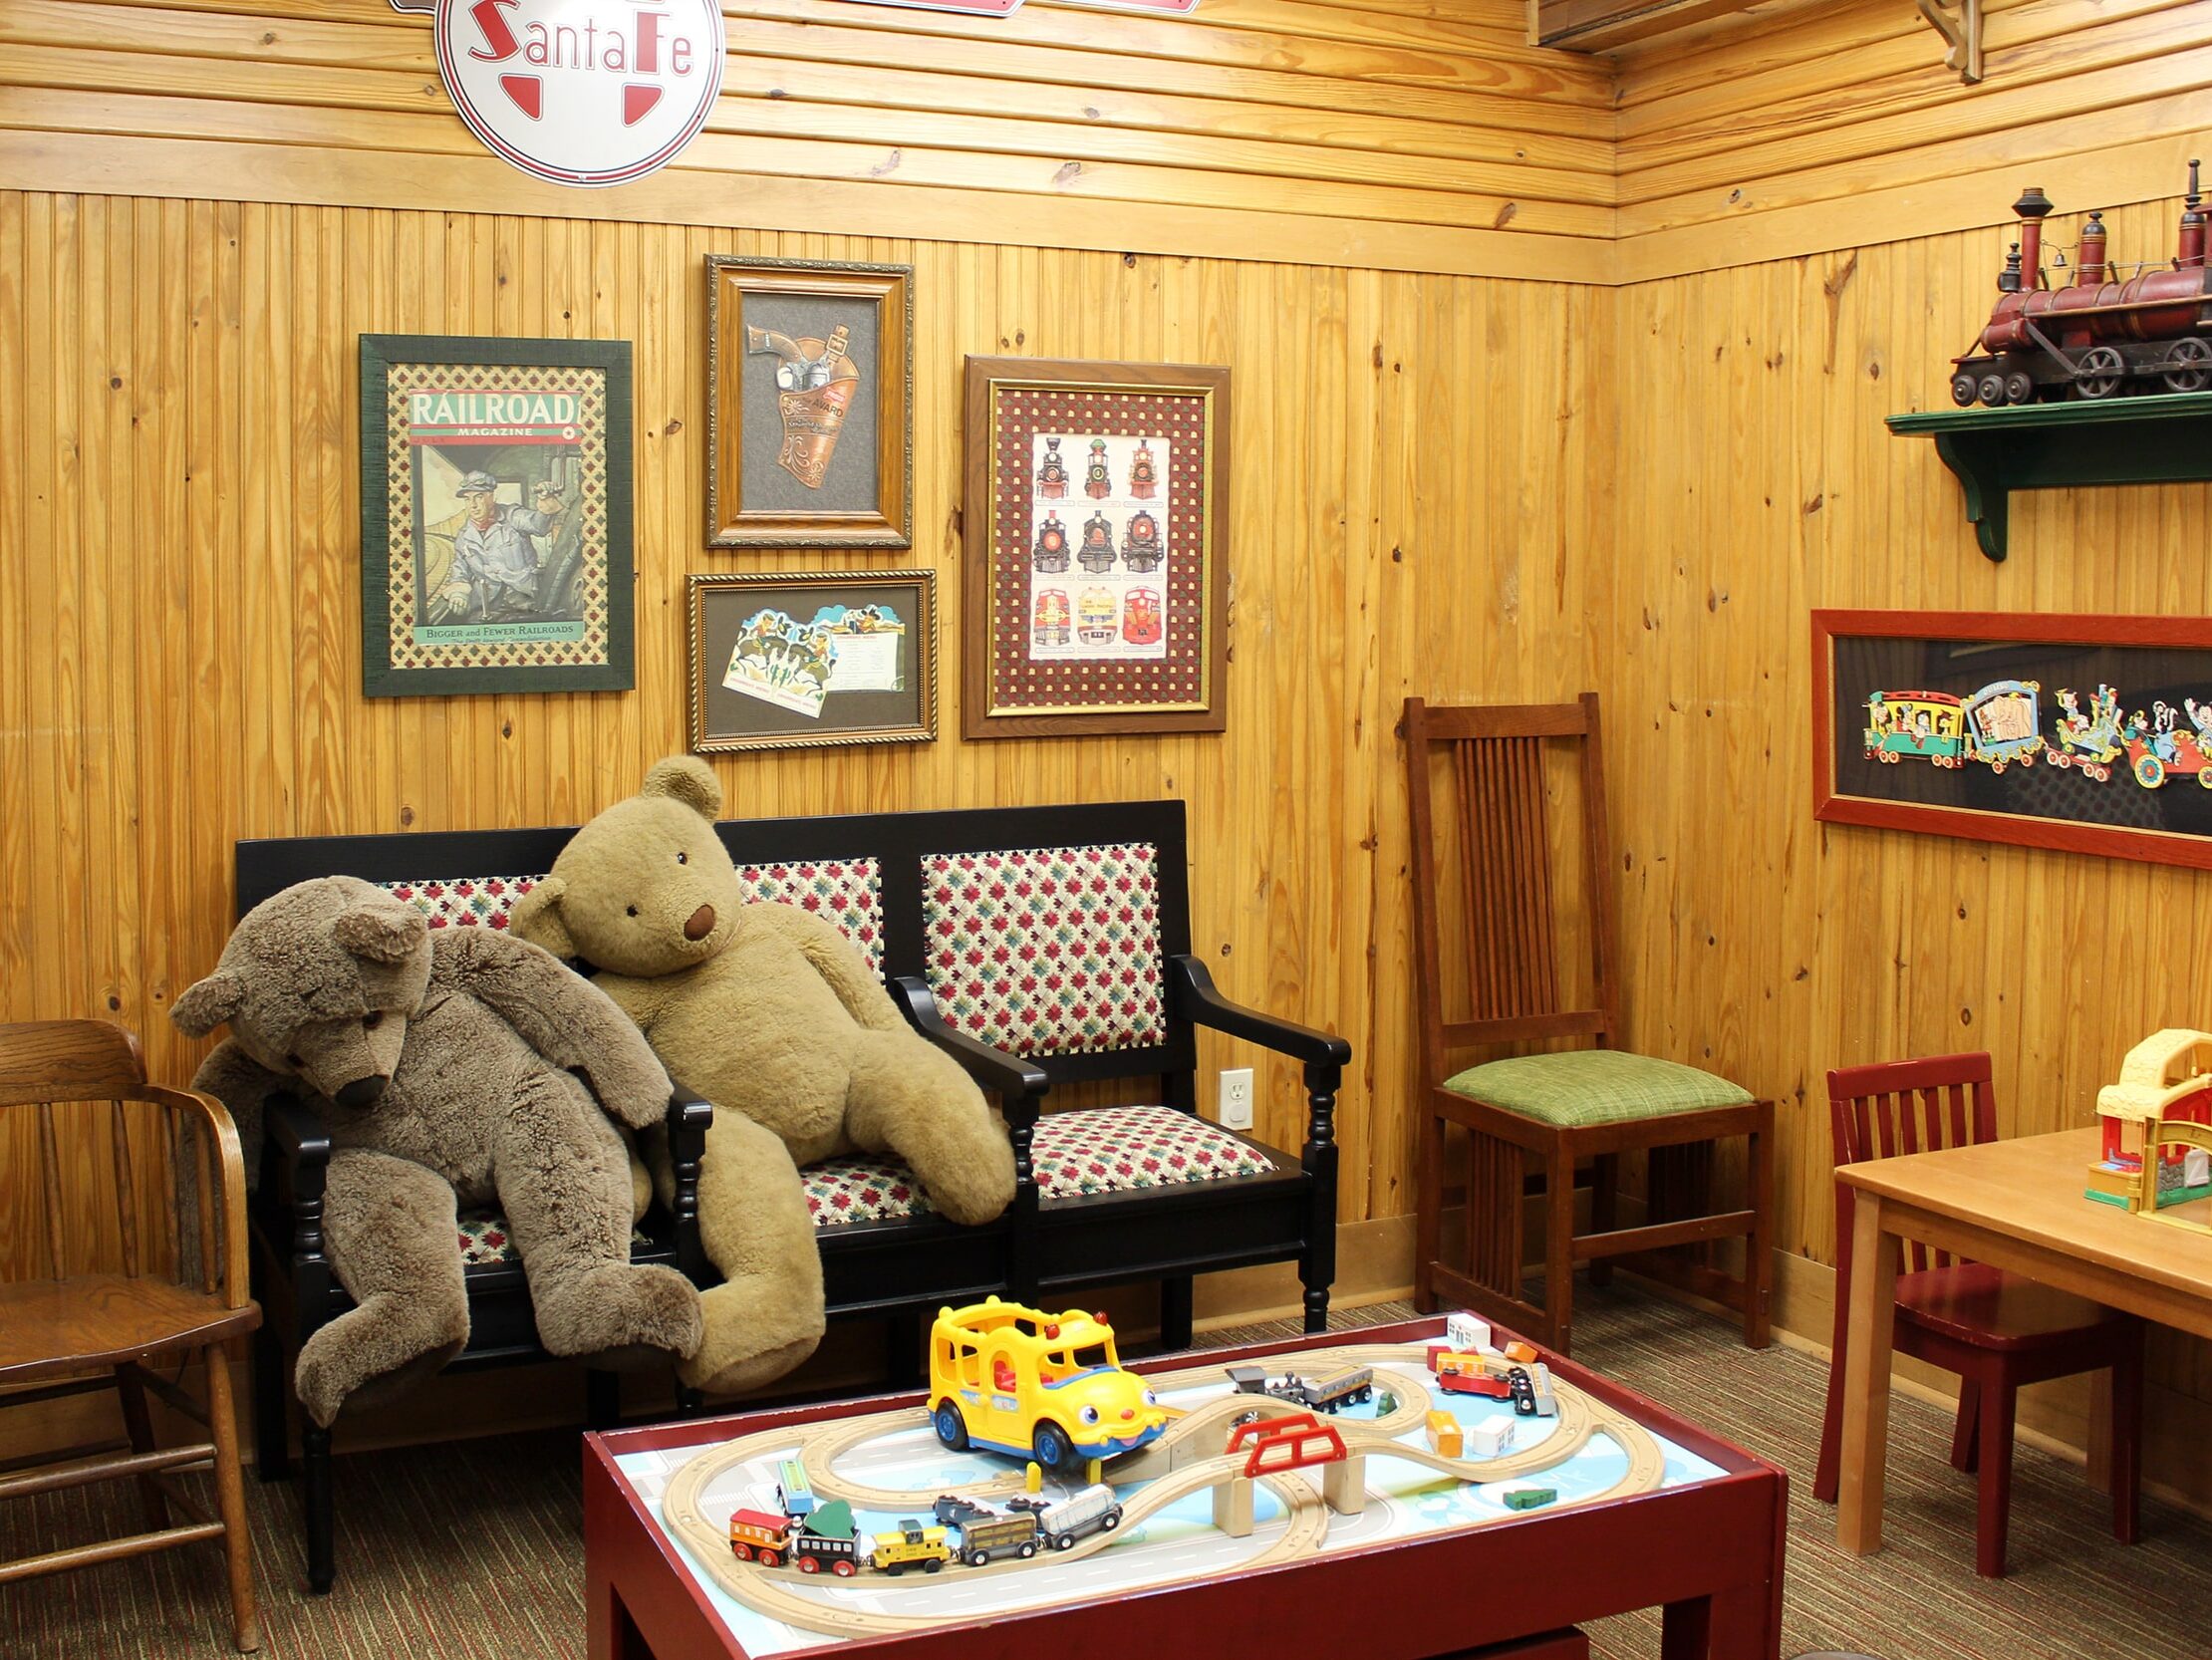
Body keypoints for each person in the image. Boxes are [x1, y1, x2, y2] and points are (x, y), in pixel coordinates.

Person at [429, 470, 566, 624]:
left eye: (478, 497)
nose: (473, 505)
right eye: (468, 500)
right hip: (487, 604)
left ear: (491, 496)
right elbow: (459, 571)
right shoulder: (464, 536)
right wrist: (458, 594)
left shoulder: (512, 516)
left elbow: (538, 525)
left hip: (526, 599)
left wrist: (545, 500)